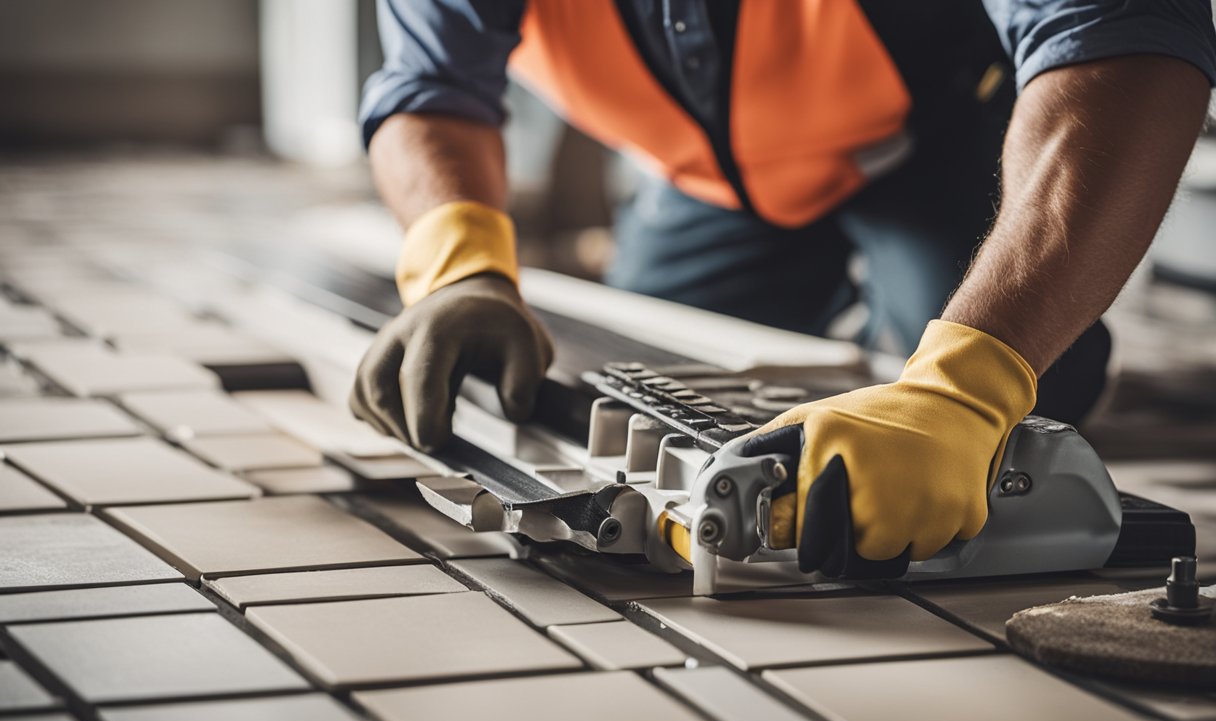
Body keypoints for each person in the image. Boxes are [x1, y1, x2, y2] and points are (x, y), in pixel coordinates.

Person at [350, 1, 1215, 564]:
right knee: (648, 378)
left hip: (931, 137)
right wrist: (459, 272)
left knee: (1030, 387)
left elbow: (1122, 39)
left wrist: (964, 386)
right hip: (710, 180)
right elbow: (432, 89)